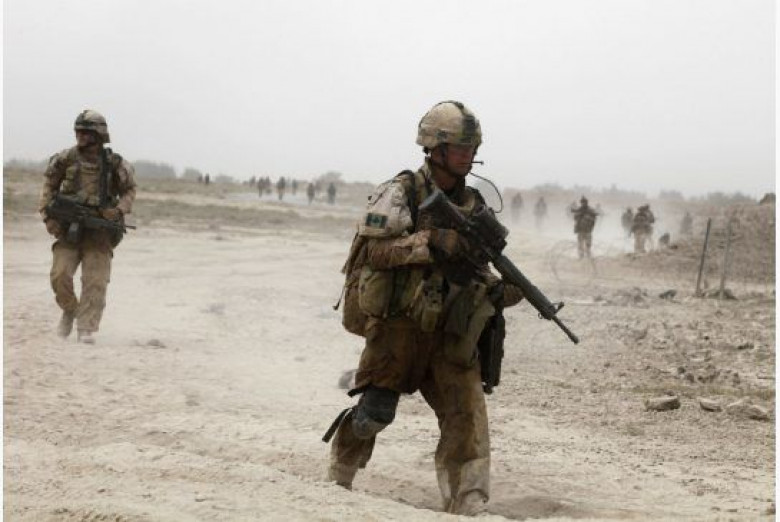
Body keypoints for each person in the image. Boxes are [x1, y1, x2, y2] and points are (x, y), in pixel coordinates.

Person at [324, 101, 524, 516]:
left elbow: (477, 267)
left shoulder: (474, 205)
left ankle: (467, 501)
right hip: (399, 328)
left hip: (450, 329)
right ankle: (339, 476)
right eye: (461, 147)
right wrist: (428, 242)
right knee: (375, 414)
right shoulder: (402, 192)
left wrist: (499, 289)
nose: (468, 155)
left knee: (466, 418)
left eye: (473, 148)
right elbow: (372, 253)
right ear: (435, 147)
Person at [38, 110, 136, 344]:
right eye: (78, 131)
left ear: (99, 135)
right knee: (60, 276)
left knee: (95, 281)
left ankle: (86, 329)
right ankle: (70, 310)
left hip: (99, 232)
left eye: (85, 132)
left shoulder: (114, 163)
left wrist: (119, 210)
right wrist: (47, 217)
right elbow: (48, 186)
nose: (80, 136)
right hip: (67, 229)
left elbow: (129, 189)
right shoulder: (66, 158)